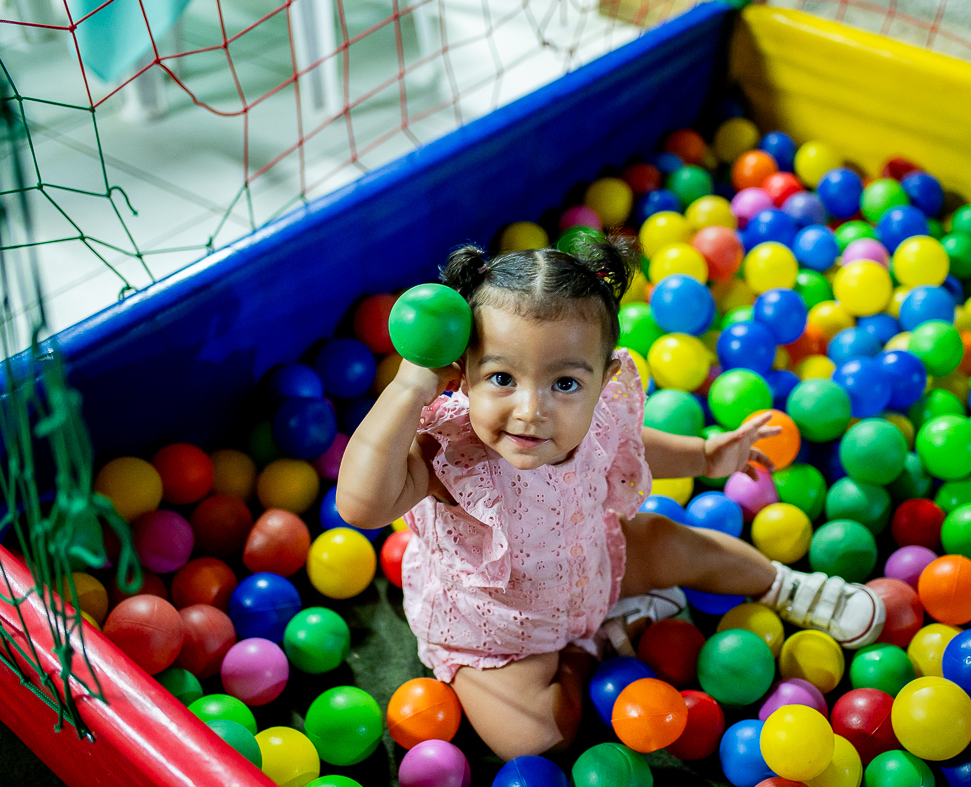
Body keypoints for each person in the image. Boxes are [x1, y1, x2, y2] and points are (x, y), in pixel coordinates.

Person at [336, 235, 885, 760]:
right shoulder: (449, 451)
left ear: (605, 380)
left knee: (674, 541)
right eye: (502, 377)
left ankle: (789, 587)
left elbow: (630, 443)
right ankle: (587, 650)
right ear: (461, 374)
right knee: (534, 739)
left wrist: (703, 455)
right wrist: (411, 386)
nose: (531, 409)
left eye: (565, 384)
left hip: (593, 565)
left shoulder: (595, 419)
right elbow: (361, 506)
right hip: (500, 626)